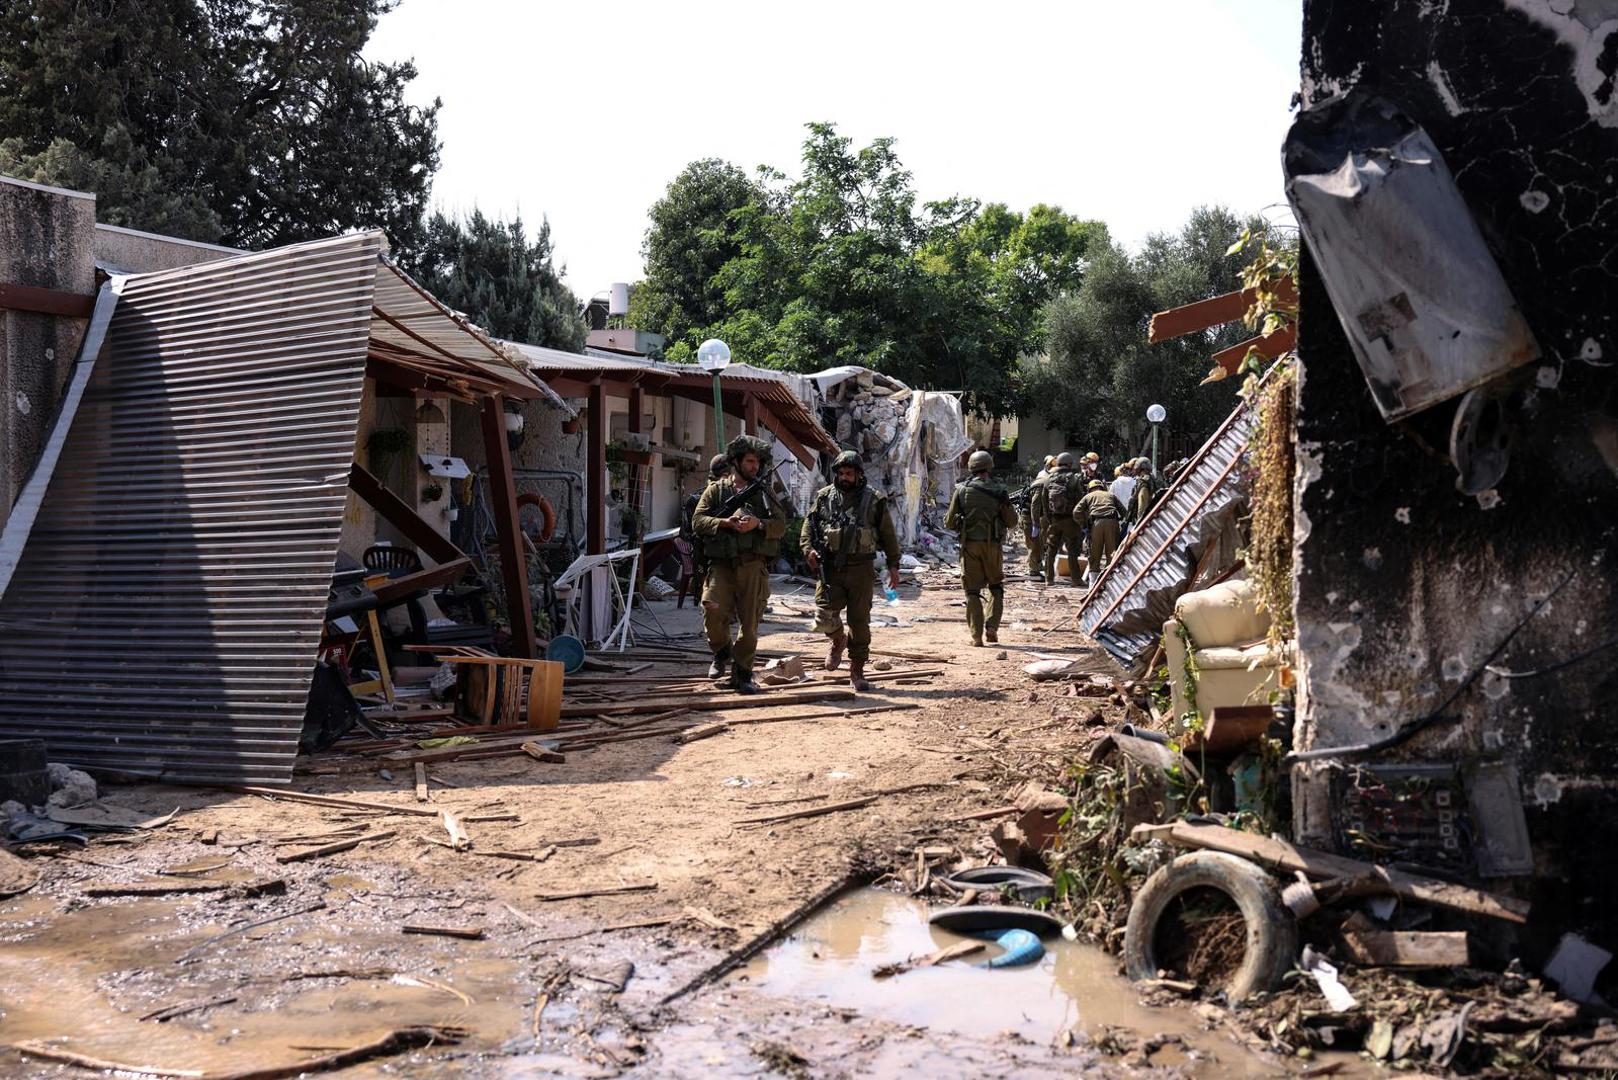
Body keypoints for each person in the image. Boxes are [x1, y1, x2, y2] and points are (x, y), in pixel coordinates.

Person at [692, 435, 784, 693]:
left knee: (749, 624)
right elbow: (697, 521)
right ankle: (722, 651)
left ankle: (743, 674)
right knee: (712, 608)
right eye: (750, 461)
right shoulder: (717, 491)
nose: (755, 466)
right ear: (737, 462)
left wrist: (759, 524)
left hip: (752, 564)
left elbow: (781, 526)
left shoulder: (765, 493)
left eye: (758, 462)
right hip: (721, 565)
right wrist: (724, 523)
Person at [802, 450, 901, 691]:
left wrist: (893, 566)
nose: (845, 477)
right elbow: (808, 529)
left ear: (858, 474)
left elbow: (888, 536)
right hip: (831, 567)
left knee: (859, 622)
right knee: (824, 615)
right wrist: (808, 551)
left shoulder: (874, 500)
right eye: (841, 473)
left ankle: (857, 670)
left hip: (861, 569)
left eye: (849, 473)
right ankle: (838, 640)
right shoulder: (824, 497)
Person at [946, 450, 1020, 646]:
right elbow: (1012, 521)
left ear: (971, 467)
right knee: (996, 587)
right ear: (989, 466)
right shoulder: (999, 490)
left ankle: (976, 636)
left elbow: (949, 522)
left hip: (969, 546)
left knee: (972, 591)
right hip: (993, 547)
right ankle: (992, 627)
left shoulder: (961, 490)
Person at [676, 455, 730, 608]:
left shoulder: (720, 495)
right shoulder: (699, 498)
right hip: (703, 550)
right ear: (725, 476)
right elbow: (689, 531)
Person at [1038, 452, 1085, 586]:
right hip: (1070, 520)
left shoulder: (1049, 479)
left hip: (1054, 520)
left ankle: (1049, 579)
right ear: (1070, 464)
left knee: (1051, 550)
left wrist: (1050, 518)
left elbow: (1044, 501)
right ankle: (1076, 579)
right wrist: (1079, 521)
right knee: (1072, 550)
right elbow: (1079, 501)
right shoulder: (1074, 479)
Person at [1075, 478, 1126, 585]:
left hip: (1096, 524)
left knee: (1094, 554)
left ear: (1090, 489)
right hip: (1112, 522)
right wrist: (1120, 522)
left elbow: (1076, 512)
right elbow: (1124, 512)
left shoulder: (1088, 496)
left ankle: (1092, 585)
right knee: (1112, 555)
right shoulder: (1110, 495)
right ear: (1102, 487)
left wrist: (1084, 526)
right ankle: (1110, 583)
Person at [1020, 454, 1055, 582]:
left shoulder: (1046, 482)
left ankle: (1037, 565)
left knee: (1039, 543)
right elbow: (1035, 506)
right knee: (1033, 543)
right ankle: (1033, 570)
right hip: (1028, 516)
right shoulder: (1042, 484)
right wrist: (1035, 525)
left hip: (1035, 516)